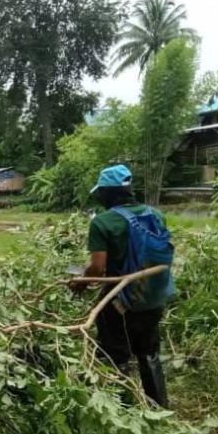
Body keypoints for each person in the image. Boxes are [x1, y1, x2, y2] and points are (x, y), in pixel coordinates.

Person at [75, 164, 171, 406]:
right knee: (149, 353)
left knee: (115, 353)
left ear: (107, 193)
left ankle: (121, 409)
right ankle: (159, 408)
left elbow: (97, 268)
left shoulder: (103, 222)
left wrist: (81, 282)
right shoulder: (156, 215)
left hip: (120, 298)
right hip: (152, 294)